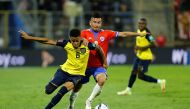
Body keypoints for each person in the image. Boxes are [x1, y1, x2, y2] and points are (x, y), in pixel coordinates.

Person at [68, 13, 147, 109]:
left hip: (99, 66)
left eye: (99, 22)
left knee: (102, 80)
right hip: (85, 66)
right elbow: (74, 40)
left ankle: (89, 101)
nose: (97, 24)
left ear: (101, 23)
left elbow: (123, 34)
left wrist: (139, 34)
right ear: (90, 23)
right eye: (95, 22)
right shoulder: (84, 33)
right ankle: (71, 105)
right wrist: (82, 39)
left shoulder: (107, 33)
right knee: (77, 87)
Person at [19, 29, 107, 109]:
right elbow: (47, 41)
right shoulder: (66, 43)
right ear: (70, 39)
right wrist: (29, 37)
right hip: (63, 71)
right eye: (73, 41)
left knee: (62, 92)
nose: (75, 43)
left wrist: (104, 62)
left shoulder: (88, 45)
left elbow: (99, 48)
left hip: (77, 75)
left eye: (77, 40)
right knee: (48, 90)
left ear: (81, 38)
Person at [117, 18, 166, 96]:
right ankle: (128, 90)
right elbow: (138, 42)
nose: (140, 25)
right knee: (133, 72)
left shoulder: (148, 34)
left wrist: (142, 48)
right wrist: (136, 47)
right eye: (139, 23)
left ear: (145, 25)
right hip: (139, 56)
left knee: (140, 76)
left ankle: (160, 81)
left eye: (142, 24)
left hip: (146, 58)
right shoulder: (138, 31)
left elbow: (154, 44)